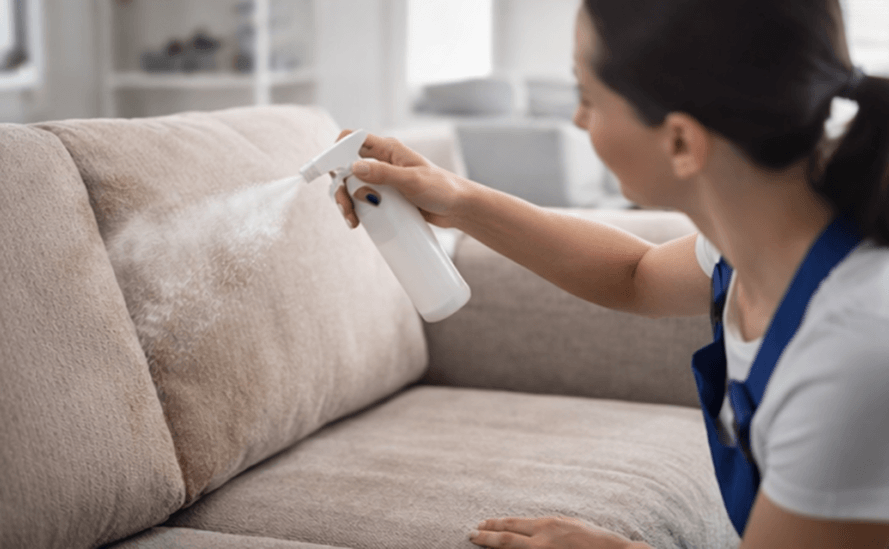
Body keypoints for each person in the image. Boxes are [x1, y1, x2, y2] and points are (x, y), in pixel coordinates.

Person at [335, 0, 889, 547]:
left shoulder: (851, 351)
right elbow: (634, 273)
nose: (578, 119)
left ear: (679, 142)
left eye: (588, 96)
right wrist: (455, 198)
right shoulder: (766, 242)